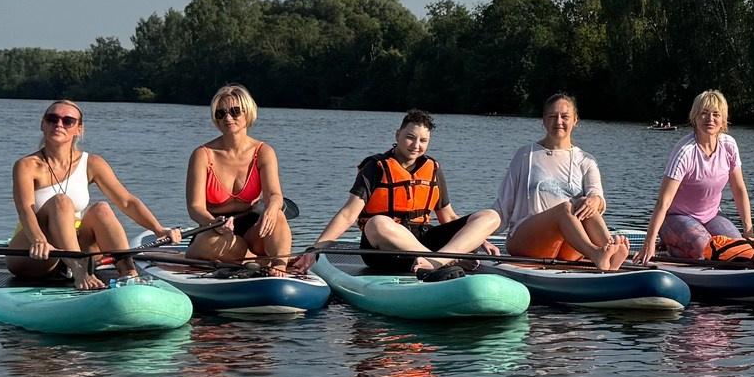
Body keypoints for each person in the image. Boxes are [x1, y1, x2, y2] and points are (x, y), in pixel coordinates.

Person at [296, 110, 500, 276]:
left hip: (422, 239)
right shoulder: (375, 167)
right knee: (377, 222)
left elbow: (449, 217)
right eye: (410, 138)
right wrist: (316, 249)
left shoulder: (433, 168)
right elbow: (348, 215)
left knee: (490, 217)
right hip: (384, 250)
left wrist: (479, 239)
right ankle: (443, 261)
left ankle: (437, 261)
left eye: (423, 140)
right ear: (397, 135)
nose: (416, 145)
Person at [7, 101, 180, 290]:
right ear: (43, 124)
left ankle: (129, 275)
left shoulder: (92, 163)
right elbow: (25, 209)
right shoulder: (27, 165)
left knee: (102, 208)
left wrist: (158, 229)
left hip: (79, 247)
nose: (59, 124)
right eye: (52, 119)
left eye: (68, 121)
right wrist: (38, 240)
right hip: (36, 253)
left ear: (79, 130)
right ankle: (80, 272)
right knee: (62, 202)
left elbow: (127, 202)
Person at [494, 94, 630, 270]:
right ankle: (597, 254)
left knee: (584, 203)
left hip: (568, 247)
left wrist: (595, 200)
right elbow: (503, 205)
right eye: (552, 116)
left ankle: (609, 250)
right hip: (526, 240)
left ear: (575, 121)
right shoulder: (525, 155)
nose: (558, 121)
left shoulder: (586, 160)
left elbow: (598, 198)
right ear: (544, 120)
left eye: (564, 117)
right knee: (565, 208)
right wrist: (480, 236)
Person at [183, 84, 294, 272]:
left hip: (252, 229)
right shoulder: (202, 155)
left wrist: (272, 208)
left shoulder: (264, 152)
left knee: (279, 216)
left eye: (235, 112)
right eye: (221, 113)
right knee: (210, 242)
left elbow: (274, 194)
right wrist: (213, 223)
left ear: (248, 113)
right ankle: (259, 261)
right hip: (215, 229)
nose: (228, 118)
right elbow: (195, 208)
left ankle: (279, 266)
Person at [639, 90, 754, 263]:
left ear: (723, 119)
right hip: (675, 217)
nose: (710, 119)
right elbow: (663, 202)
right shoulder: (685, 152)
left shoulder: (729, 145)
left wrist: (749, 232)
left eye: (716, 114)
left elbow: (739, 190)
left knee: (737, 250)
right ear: (695, 117)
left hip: (712, 216)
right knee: (704, 250)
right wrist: (649, 242)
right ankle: (672, 247)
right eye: (704, 114)